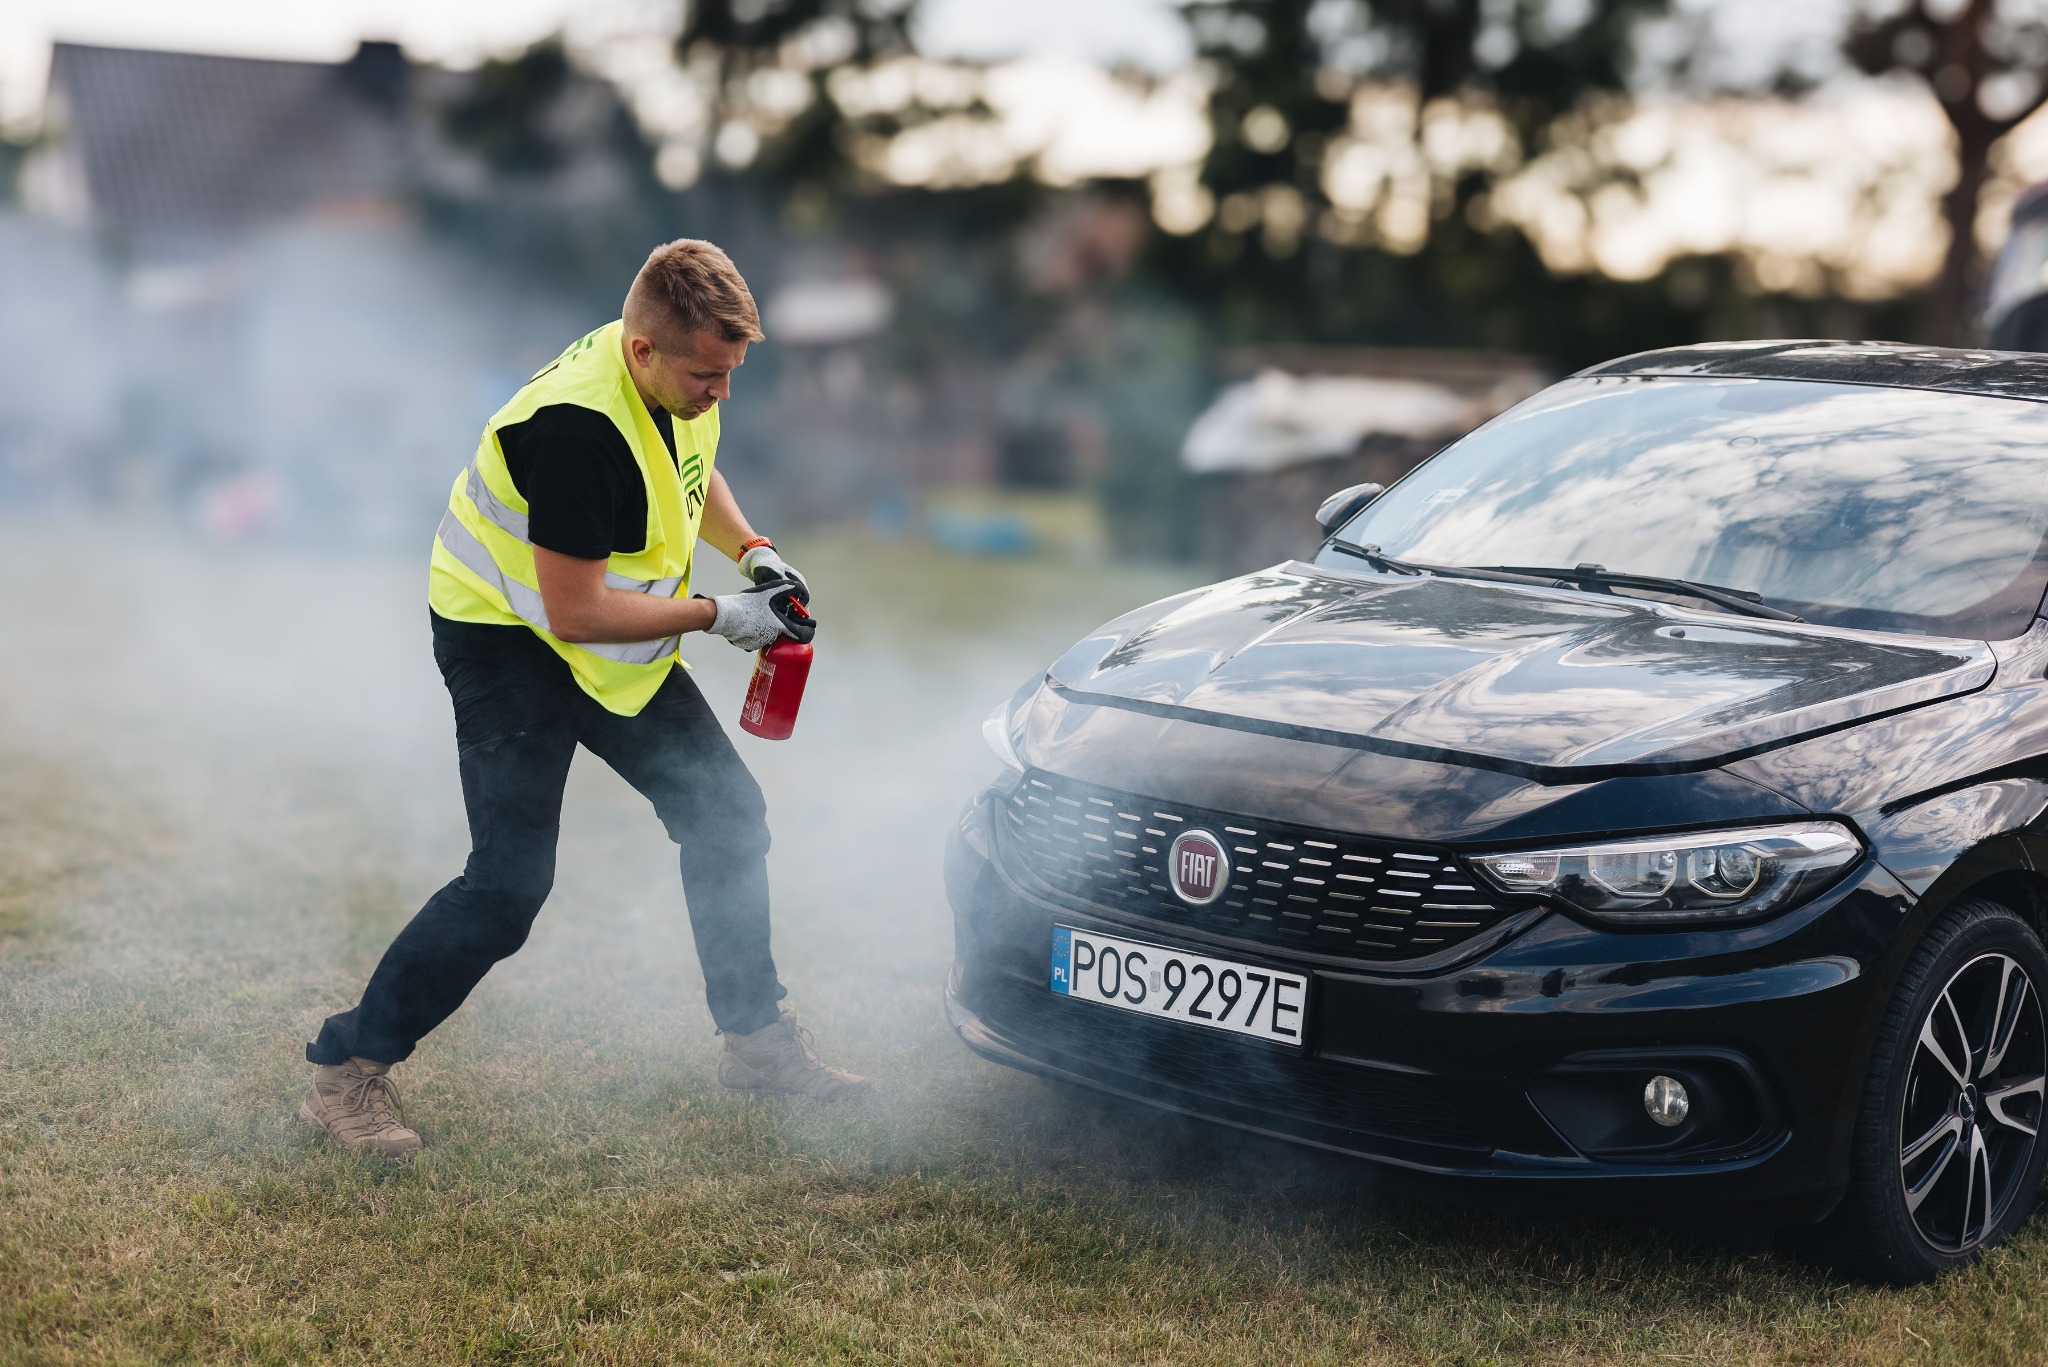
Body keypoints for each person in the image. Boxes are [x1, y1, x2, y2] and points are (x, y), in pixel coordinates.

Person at [299, 239, 866, 1159]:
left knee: (725, 814)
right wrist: (726, 614)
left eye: (732, 375)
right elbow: (574, 611)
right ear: (644, 350)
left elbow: (691, 464)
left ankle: (756, 1045)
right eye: (706, 375)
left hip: (601, 631)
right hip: (505, 639)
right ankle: (345, 1070)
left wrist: (751, 550)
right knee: (509, 887)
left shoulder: (668, 373)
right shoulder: (575, 428)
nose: (721, 393)